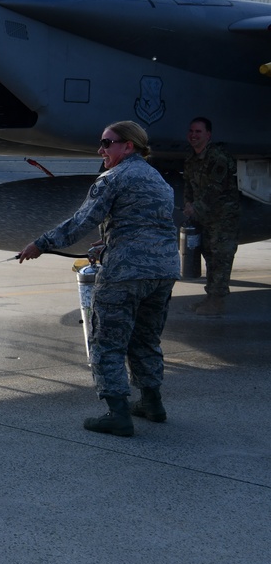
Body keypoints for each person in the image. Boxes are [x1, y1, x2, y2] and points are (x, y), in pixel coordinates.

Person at [17, 121, 180, 437]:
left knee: (107, 342)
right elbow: (148, 225)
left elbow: (80, 224)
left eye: (107, 143)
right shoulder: (157, 179)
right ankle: (152, 403)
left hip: (126, 273)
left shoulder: (113, 178)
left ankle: (117, 413)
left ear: (128, 146)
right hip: (163, 271)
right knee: (145, 338)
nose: (100, 150)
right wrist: (109, 242)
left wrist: (41, 243)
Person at [183, 117, 240, 316]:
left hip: (223, 218)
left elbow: (215, 189)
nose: (193, 135)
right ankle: (211, 298)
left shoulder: (218, 157)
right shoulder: (191, 160)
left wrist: (196, 207)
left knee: (221, 258)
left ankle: (217, 302)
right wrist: (189, 204)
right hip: (205, 218)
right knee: (210, 256)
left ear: (208, 135)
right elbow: (189, 187)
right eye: (191, 131)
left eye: (198, 131)